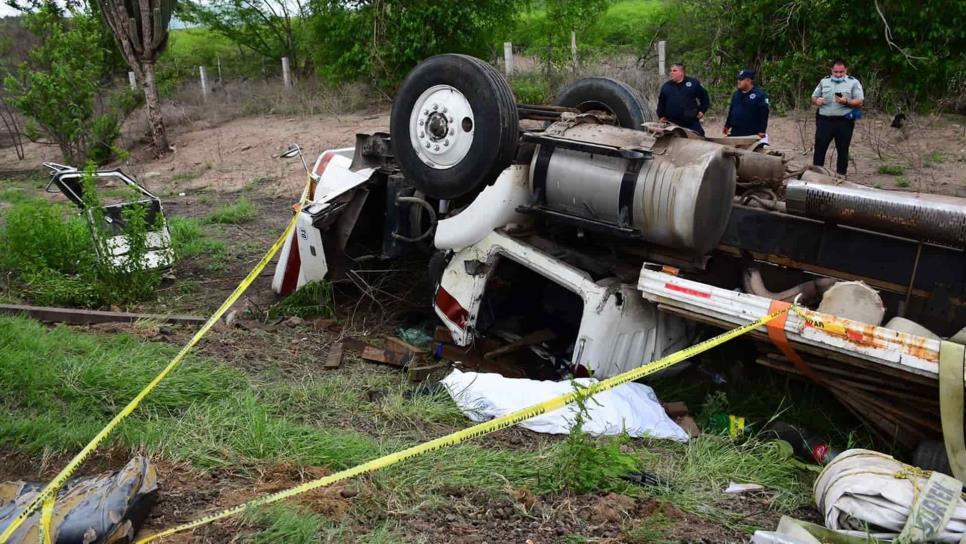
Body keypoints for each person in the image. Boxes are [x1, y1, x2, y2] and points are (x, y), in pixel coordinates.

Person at [811, 59, 864, 176]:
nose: (838, 75)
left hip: (844, 121)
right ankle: (816, 175)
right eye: (836, 72)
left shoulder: (853, 82)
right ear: (831, 70)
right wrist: (817, 101)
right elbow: (814, 97)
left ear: (846, 70)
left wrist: (847, 102)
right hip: (825, 121)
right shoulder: (824, 81)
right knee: (820, 148)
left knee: (843, 149)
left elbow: (860, 102)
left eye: (841, 72)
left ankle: (840, 176)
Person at [657, 63, 710, 136]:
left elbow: (704, 97)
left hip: (690, 121)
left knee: (700, 137)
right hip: (672, 123)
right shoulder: (666, 86)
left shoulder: (693, 83)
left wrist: (702, 110)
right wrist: (661, 116)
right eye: (671, 71)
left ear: (681, 73)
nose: (671, 72)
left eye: (674, 71)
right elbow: (661, 103)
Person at [723, 69, 769, 140]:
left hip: (751, 134)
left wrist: (762, 130)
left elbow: (764, 113)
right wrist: (727, 125)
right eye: (738, 79)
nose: (738, 81)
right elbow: (731, 111)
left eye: (741, 79)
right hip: (735, 133)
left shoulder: (760, 95)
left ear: (748, 80)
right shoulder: (736, 94)